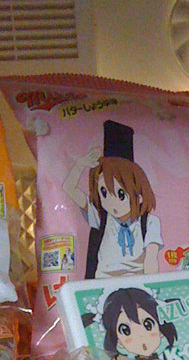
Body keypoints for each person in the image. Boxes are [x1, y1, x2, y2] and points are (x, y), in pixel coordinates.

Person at [62, 119, 162, 278]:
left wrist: (151, 286)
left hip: (137, 285)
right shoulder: (100, 217)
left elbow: (151, 259)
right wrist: (80, 164)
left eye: (121, 194)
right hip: (103, 285)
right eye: (104, 192)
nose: (112, 202)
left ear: (140, 194)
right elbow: (69, 188)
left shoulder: (149, 223)